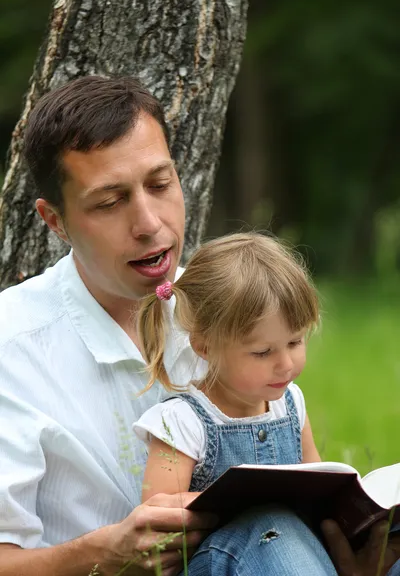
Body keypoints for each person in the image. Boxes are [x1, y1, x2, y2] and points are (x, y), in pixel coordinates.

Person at [0, 74, 398, 576]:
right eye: (109, 202)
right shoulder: (12, 346)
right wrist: (101, 554)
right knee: (267, 534)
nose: (149, 222)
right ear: (54, 220)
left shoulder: (226, 302)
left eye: (160, 184)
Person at [134, 232, 321, 500]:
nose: (286, 365)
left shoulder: (290, 405)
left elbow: (319, 482)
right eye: (262, 352)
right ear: (205, 347)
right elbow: (160, 521)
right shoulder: (182, 423)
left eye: (295, 342)